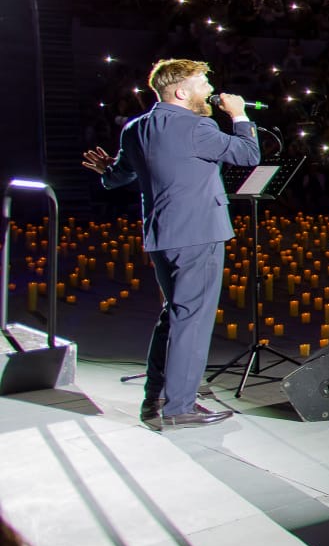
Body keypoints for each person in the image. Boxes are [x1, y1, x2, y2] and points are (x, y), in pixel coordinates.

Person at [81, 59, 259, 429]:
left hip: (162, 236)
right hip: (198, 235)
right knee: (192, 320)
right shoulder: (198, 126)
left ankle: (156, 398)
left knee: (175, 314)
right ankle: (180, 406)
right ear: (181, 91)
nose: (210, 91)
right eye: (203, 83)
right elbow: (248, 155)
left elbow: (116, 177)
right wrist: (239, 115)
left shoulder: (135, 128)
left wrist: (106, 169)